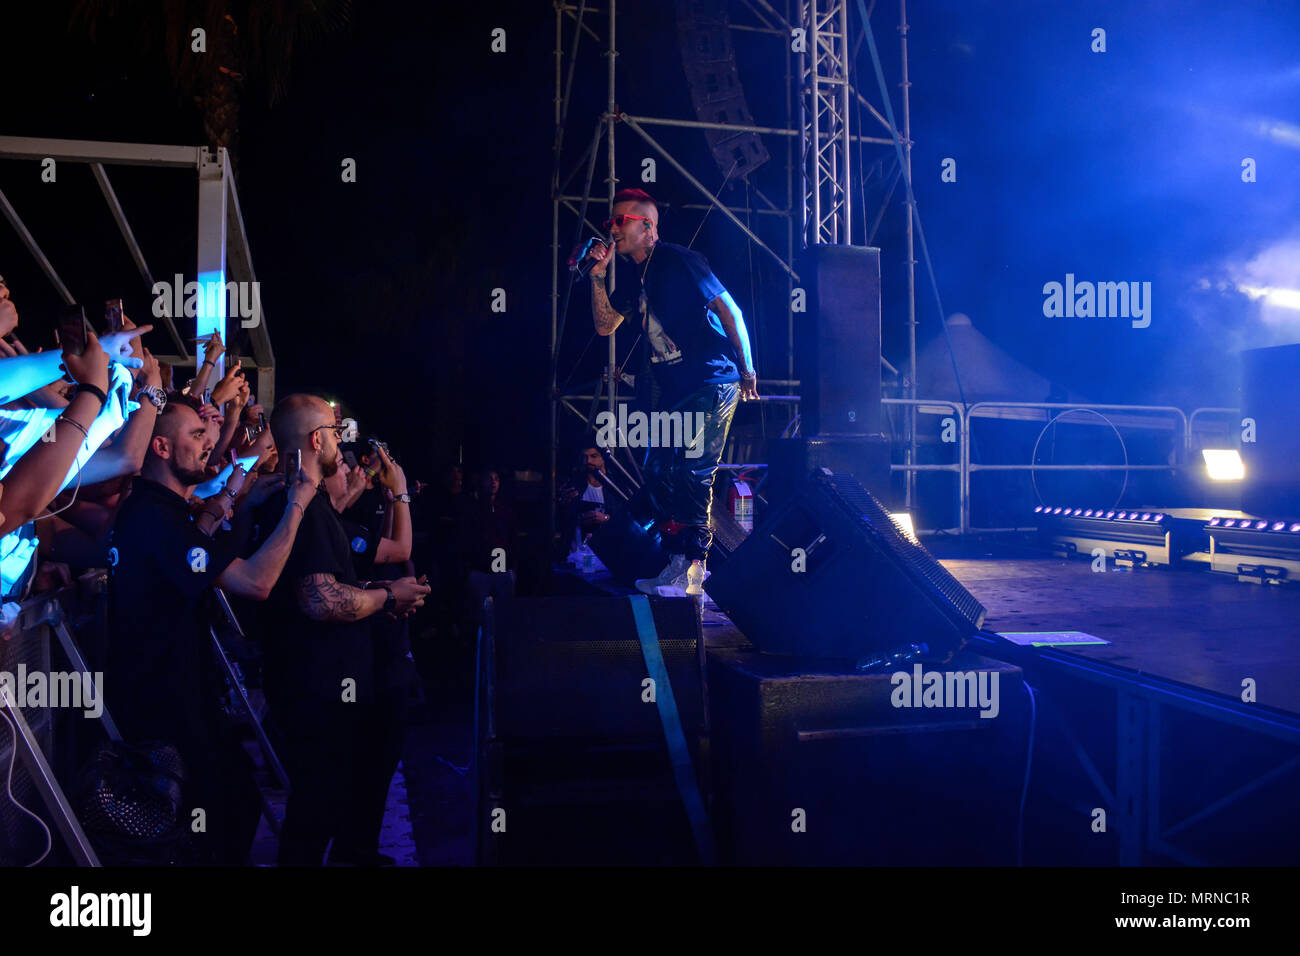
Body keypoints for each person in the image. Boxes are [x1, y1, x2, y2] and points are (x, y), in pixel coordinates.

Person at [104, 398, 316, 864]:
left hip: (179, 697)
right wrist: (298, 504)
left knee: (234, 799)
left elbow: (196, 547)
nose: (210, 445)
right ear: (160, 446)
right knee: (217, 817)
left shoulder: (160, 511)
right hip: (164, 709)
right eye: (197, 436)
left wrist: (241, 503)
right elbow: (255, 583)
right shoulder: (155, 518)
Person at [253, 393, 429, 865]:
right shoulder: (303, 512)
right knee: (316, 809)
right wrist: (388, 597)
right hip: (314, 690)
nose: (339, 441)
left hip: (321, 686)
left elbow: (318, 585)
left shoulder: (307, 506)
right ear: (316, 439)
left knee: (323, 804)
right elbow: (318, 599)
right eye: (333, 432)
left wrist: (372, 591)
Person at [585, 188, 758, 594]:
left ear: (647, 227)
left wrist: (747, 367)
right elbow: (604, 324)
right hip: (676, 390)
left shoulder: (680, 260)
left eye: (620, 221)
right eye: (610, 222)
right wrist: (596, 276)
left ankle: (695, 568)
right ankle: (677, 558)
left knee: (693, 471)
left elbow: (728, 309)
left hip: (712, 380)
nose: (612, 229)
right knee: (657, 468)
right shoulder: (634, 278)